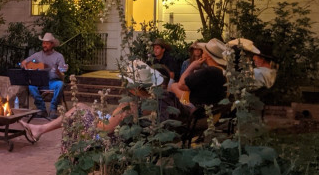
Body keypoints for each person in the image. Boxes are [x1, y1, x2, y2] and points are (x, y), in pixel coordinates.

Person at [20, 60, 191, 142]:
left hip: (114, 138)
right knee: (79, 108)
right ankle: (39, 128)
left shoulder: (131, 105)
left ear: (133, 86)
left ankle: (41, 129)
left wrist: (93, 116)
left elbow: (106, 128)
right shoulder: (158, 100)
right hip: (128, 130)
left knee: (78, 112)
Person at [20, 33, 67, 119]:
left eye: (47, 43)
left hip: (53, 81)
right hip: (40, 81)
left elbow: (62, 74)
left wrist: (58, 72)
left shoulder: (59, 56)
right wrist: (26, 66)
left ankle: (53, 108)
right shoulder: (38, 55)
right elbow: (23, 63)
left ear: (52, 44)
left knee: (60, 84)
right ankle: (41, 109)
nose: (44, 45)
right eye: (43, 43)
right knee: (31, 86)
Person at [171, 38, 228, 107]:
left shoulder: (208, 71)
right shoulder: (222, 71)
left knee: (173, 86)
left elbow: (181, 85)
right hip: (214, 104)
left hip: (198, 107)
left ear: (208, 56)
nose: (202, 53)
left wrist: (191, 67)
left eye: (203, 52)